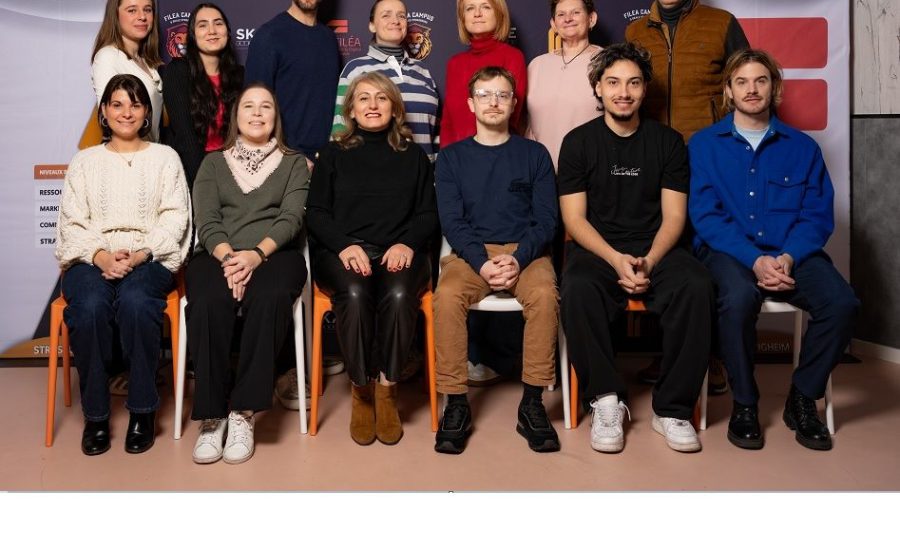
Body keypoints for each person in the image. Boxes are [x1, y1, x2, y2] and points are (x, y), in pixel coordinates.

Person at [689, 49, 859, 451]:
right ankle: (745, 403)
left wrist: (786, 257)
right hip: (729, 253)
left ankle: (803, 397)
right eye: (742, 82)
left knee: (842, 303)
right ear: (729, 91)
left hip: (790, 254)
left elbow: (816, 216)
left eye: (760, 80)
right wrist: (755, 260)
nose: (752, 89)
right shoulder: (703, 145)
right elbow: (705, 216)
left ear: (774, 88)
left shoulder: (803, 148)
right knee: (738, 298)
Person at [557, 43, 714, 454]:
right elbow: (574, 220)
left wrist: (650, 261)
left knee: (697, 285)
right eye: (613, 83)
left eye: (633, 83)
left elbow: (675, 217)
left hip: (656, 247)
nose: (623, 92)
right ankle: (606, 400)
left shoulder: (668, 142)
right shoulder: (577, 143)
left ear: (645, 89)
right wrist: (615, 260)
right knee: (577, 287)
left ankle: (673, 409)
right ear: (598, 87)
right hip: (599, 249)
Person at [56, 74, 191, 456]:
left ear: (147, 112)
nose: (126, 112)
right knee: (90, 307)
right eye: (117, 104)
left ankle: (143, 412)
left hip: (148, 255)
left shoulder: (165, 158)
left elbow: (176, 217)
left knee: (136, 302)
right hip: (91, 257)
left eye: (135, 104)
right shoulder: (85, 161)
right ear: (104, 111)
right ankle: (96, 416)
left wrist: (141, 253)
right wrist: (100, 254)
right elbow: (71, 222)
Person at [433, 67, 559, 455]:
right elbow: (452, 221)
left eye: (502, 95)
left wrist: (518, 258)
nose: (494, 102)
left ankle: (532, 402)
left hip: (526, 252)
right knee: (447, 296)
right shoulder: (451, 158)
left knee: (545, 296)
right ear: (471, 104)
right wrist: (482, 262)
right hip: (472, 253)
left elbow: (547, 220)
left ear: (514, 104)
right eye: (485, 95)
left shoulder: (534, 154)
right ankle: (456, 402)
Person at [308, 72, 437, 446]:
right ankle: (361, 390)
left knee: (398, 295)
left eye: (382, 98)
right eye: (363, 98)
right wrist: (344, 246)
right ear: (351, 110)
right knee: (354, 293)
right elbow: (316, 213)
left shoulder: (413, 156)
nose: (373, 105)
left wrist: (407, 244)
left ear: (395, 108)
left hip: (399, 250)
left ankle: (387, 389)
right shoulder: (333, 154)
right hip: (343, 251)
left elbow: (428, 214)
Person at [187, 83, 310, 465]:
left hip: (275, 254)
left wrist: (255, 256)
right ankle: (212, 417)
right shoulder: (212, 163)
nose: (257, 113)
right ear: (235, 116)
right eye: (249, 106)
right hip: (219, 254)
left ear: (276, 117)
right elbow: (207, 221)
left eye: (266, 107)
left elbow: (291, 218)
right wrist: (231, 259)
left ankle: (243, 412)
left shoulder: (294, 163)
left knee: (270, 296)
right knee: (208, 300)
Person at [625, 0, 749, 142]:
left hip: (709, 142)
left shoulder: (722, 22)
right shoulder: (634, 31)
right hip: (653, 142)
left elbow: (748, 81)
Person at [332, 0, 440, 162]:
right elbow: (340, 129)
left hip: (424, 170)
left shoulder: (423, 71)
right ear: (372, 25)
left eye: (401, 16)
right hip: (374, 170)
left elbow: (436, 131)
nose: (395, 21)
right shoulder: (355, 69)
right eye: (386, 15)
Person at [244, 0, 340, 164]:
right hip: (286, 161)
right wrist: (287, 157)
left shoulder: (329, 38)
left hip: (326, 160)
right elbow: (253, 110)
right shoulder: (269, 36)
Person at [163, 3, 244, 189]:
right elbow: (185, 137)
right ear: (193, 34)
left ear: (227, 31)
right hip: (192, 173)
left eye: (218, 23)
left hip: (233, 172)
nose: (212, 31)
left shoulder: (240, 75)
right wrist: (205, 186)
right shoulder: (178, 71)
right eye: (203, 25)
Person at [526, 0, 602, 169]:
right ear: (553, 24)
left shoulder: (607, 62)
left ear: (591, 18)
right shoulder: (536, 65)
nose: (568, 19)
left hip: (589, 170)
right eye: (561, 14)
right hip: (540, 171)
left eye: (576, 12)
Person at [440, 0, 526, 147]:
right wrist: (446, 156)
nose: (477, 14)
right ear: (462, 17)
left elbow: (511, 119)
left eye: (485, 7)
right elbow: (448, 122)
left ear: (498, 13)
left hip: (497, 153)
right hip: (457, 156)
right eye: (470, 8)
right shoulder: (454, 64)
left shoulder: (512, 57)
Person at [91, 0, 164, 141]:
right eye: (132, 10)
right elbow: (113, 120)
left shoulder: (146, 61)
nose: (142, 16)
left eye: (147, 10)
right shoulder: (108, 57)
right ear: (115, 15)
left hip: (151, 150)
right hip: (128, 152)